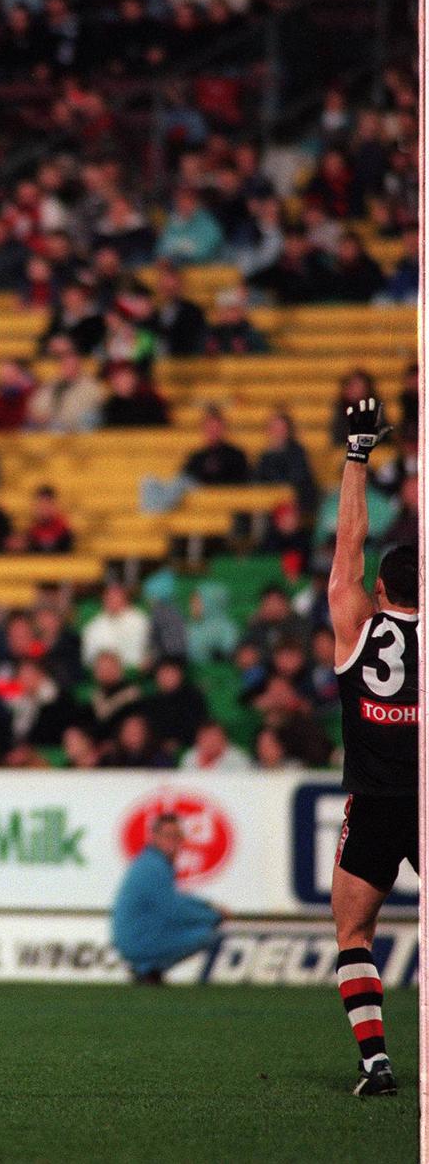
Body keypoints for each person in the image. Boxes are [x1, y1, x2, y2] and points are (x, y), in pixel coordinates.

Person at [327, 397, 418, 1097]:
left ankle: (376, 1062)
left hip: (376, 800)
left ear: (379, 588)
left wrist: (357, 454)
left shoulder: (356, 622)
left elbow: (347, 545)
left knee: (354, 929)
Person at [111, 813, 225, 982]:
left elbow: (174, 901)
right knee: (207, 934)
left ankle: (147, 970)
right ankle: (148, 969)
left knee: (198, 928)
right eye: (168, 836)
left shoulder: (150, 862)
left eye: (177, 836)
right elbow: (174, 909)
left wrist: (207, 906)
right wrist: (213, 915)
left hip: (133, 937)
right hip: (138, 940)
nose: (173, 841)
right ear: (155, 837)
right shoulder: (155, 867)